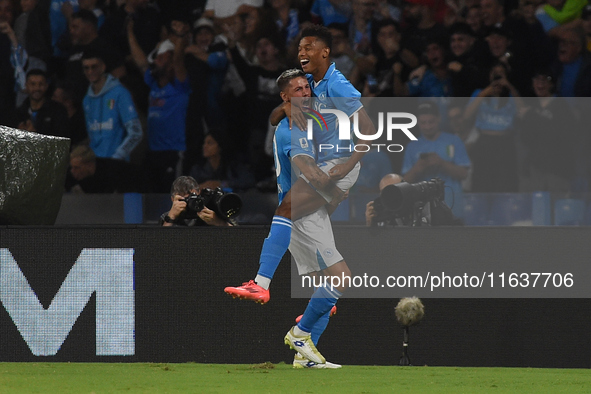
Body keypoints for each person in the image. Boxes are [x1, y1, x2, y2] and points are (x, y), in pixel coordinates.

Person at [225, 25, 376, 304]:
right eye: (299, 48)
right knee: (328, 275)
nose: (301, 52)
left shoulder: (337, 84)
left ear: (325, 52)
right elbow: (274, 117)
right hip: (326, 166)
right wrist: (285, 107)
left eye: (308, 48)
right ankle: (313, 317)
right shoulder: (309, 81)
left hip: (338, 162)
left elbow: (368, 129)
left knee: (285, 210)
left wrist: (347, 166)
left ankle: (261, 284)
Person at [228, 69, 347, 368]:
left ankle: (304, 352)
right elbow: (308, 169)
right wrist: (333, 190)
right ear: (285, 96)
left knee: (333, 286)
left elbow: (275, 115)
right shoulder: (294, 128)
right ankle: (292, 321)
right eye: (297, 90)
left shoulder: (298, 114)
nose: (306, 93)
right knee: (339, 279)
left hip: (308, 213)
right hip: (302, 216)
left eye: (307, 87)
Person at [127, 17, 191, 192]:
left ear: (170, 63)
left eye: (161, 58)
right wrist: (130, 32)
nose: (155, 62)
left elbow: (178, 60)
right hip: (153, 151)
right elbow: (140, 61)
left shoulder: (180, 86)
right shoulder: (154, 84)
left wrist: (179, 37)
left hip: (173, 152)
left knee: (175, 196)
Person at [401, 101, 471, 219]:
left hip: (453, 208)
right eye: (423, 123)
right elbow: (404, 182)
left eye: (431, 122)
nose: (427, 126)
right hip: (423, 211)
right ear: (417, 122)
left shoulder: (454, 141)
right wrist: (418, 168)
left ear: (439, 119)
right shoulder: (412, 146)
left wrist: (441, 163)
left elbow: (464, 174)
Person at [81, 50, 142, 160]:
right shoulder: (87, 100)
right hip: (95, 165)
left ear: (103, 67)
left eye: (94, 67)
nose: (90, 71)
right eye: (86, 68)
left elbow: (136, 132)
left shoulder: (120, 93)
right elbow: (92, 136)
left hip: (116, 165)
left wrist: (117, 156)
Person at [190, 131, 256, 191]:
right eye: (204, 143)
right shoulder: (198, 169)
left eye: (210, 143)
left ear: (220, 146)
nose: (205, 146)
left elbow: (249, 181)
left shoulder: (233, 166)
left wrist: (221, 184)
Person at [14, 69, 70, 139]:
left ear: (46, 86)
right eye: (33, 84)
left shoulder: (58, 110)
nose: (37, 88)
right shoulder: (19, 113)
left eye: (41, 84)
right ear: (26, 86)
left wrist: (35, 135)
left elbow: (62, 141)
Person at [65, 145, 145, 193]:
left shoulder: (113, 172)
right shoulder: (73, 175)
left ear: (89, 165)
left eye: (77, 168)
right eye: (72, 167)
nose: (73, 171)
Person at [159, 175, 233, 227]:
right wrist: (171, 218)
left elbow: (237, 234)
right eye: (182, 197)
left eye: (192, 196)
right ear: (173, 199)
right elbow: (160, 244)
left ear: (199, 195)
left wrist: (217, 222)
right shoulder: (167, 217)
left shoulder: (209, 213)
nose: (188, 202)